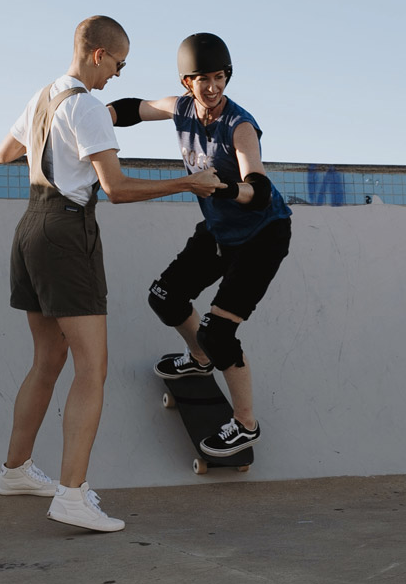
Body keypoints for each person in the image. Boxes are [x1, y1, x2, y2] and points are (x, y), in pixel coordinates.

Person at [0, 16, 221, 533]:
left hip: (30, 227)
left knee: (47, 359)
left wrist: (52, 145)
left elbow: (4, 154)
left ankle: (16, 471)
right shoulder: (87, 107)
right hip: (67, 233)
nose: (117, 75)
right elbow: (115, 189)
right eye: (118, 64)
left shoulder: (44, 97)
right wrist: (187, 183)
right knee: (91, 368)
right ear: (99, 54)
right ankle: (72, 497)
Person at [107, 33, 292, 459]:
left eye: (219, 77)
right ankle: (199, 358)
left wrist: (223, 188)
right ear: (187, 82)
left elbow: (259, 190)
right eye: (202, 79)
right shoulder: (181, 108)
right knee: (165, 297)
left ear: (227, 76)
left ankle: (246, 424)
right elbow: (134, 109)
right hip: (219, 230)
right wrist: (90, 117)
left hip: (262, 236)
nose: (212, 87)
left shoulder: (240, 126)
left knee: (218, 333)